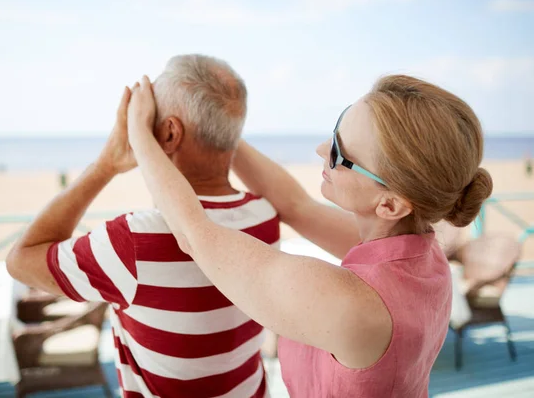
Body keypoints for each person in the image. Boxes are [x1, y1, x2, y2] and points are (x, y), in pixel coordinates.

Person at [126, 74, 494, 397]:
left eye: (339, 153)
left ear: (390, 204)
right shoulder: (421, 256)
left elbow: (195, 235)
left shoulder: (353, 304)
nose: (321, 150)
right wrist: (216, 127)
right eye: (335, 130)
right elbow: (295, 206)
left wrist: (139, 135)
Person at [6, 55, 279, 397]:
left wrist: (105, 164)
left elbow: (21, 259)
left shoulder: (134, 242)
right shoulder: (266, 217)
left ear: (168, 132)